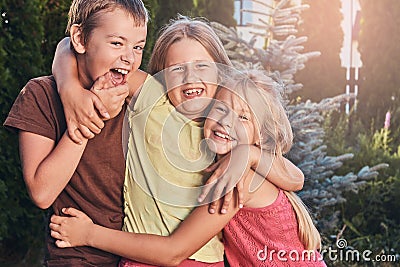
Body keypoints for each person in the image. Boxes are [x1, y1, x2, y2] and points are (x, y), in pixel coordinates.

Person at [51, 16, 305, 266]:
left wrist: (248, 154)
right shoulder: (152, 100)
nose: (190, 77)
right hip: (138, 257)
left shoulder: (232, 144)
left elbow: (296, 178)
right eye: (177, 69)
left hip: (197, 259)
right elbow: (70, 46)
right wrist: (68, 87)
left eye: (202, 66)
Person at [3, 0, 148, 266]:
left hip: (136, 255)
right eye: (117, 43)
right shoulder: (41, 95)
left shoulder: (134, 91)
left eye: (138, 47)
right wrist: (86, 121)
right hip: (73, 256)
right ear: (80, 39)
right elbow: (42, 193)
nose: (130, 57)